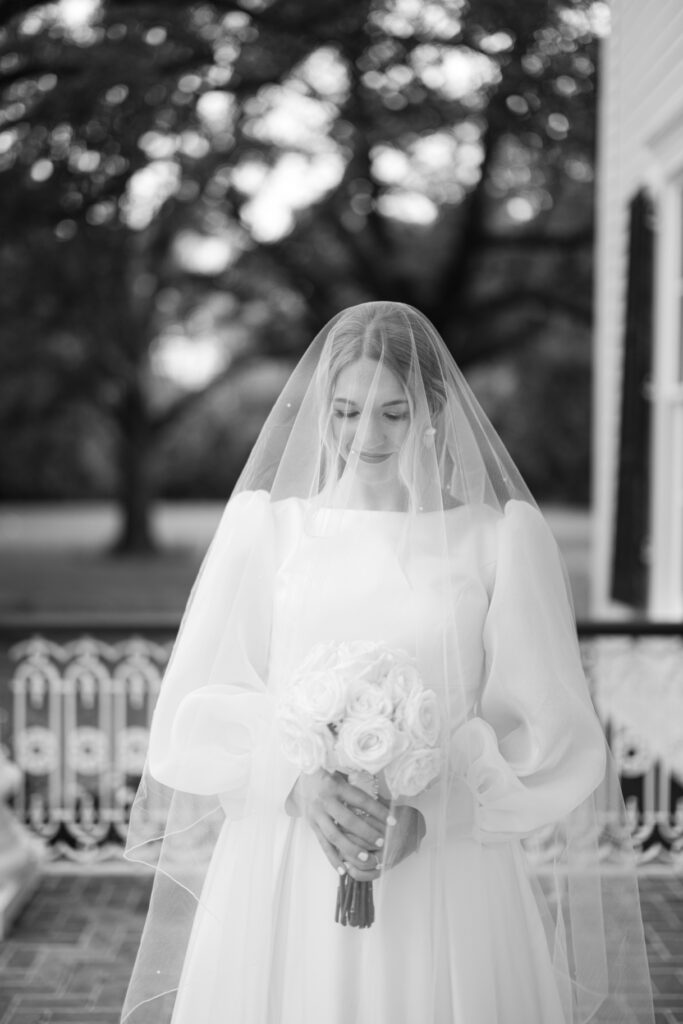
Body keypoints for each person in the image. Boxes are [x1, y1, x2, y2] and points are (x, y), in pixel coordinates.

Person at [122, 301, 654, 1024]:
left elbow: (547, 733)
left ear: (430, 411)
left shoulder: (495, 542)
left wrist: (431, 816)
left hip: (444, 870)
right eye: (344, 411)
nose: (364, 435)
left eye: (391, 413)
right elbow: (201, 703)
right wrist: (295, 786)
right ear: (321, 410)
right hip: (286, 864)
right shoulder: (270, 533)